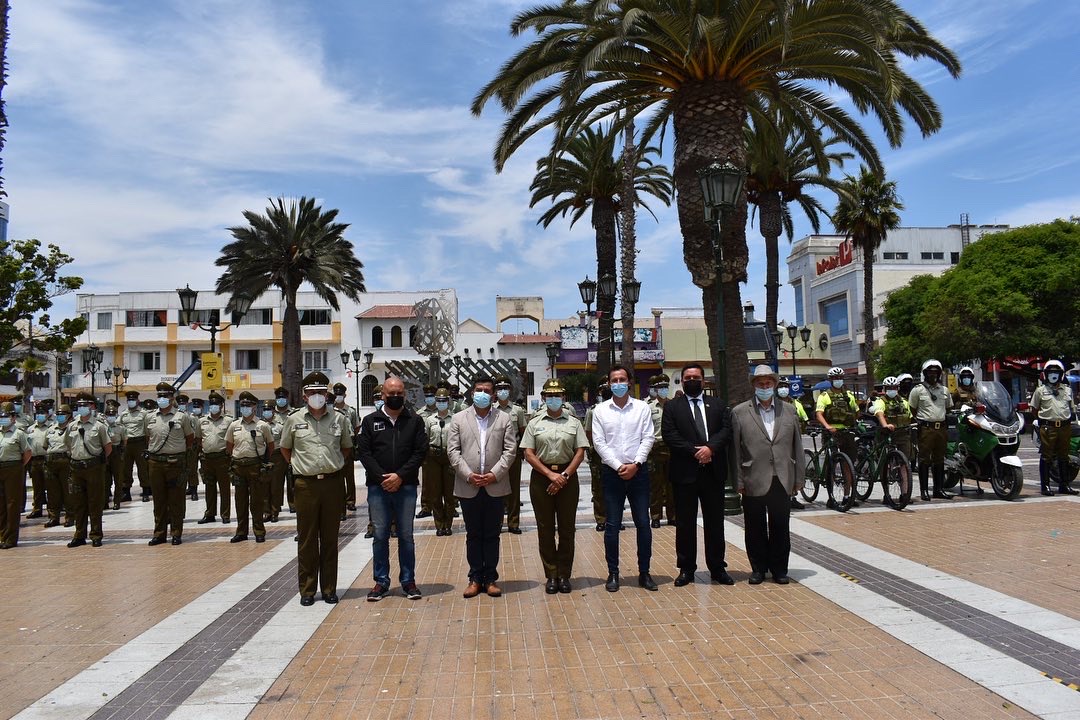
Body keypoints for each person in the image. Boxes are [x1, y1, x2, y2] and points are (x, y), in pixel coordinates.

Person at [280, 371, 353, 606]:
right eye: (312, 392)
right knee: (307, 539)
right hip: (306, 485)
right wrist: (301, 466)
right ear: (304, 395)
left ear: (327, 394)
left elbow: (345, 448)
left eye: (321, 392)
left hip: (332, 483)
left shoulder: (339, 419)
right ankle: (308, 590)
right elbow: (286, 449)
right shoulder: (293, 419)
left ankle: (329, 588)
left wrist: (332, 465)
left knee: (330, 538)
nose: (317, 396)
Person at [660, 363, 734, 587]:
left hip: (713, 471)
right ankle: (686, 569)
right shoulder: (673, 407)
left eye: (696, 377)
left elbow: (726, 430)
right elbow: (669, 435)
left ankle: (717, 567)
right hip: (685, 473)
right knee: (685, 523)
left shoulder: (718, 405)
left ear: (703, 381)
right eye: (688, 377)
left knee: (715, 523)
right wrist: (695, 452)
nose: (692, 380)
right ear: (682, 380)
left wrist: (710, 449)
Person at [357, 376, 428, 601]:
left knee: (406, 535)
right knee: (380, 535)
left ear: (404, 395)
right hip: (378, 488)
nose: (395, 397)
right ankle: (381, 582)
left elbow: (420, 452)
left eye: (399, 394)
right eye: (391, 394)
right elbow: (365, 453)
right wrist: (382, 478)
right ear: (383, 396)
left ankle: (408, 581)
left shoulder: (414, 421)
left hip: (405, 487)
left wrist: (400, 476)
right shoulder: (370, 421)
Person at [447, 373, 518, 599]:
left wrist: (493, 474)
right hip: (468, 485)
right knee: (473, 533)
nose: (483, 394)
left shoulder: (504, 419)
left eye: (487, 391)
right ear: (472, 392)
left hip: (494, 485)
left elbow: (510, 451)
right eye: (479, 390)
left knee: (492, 534)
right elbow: (453, 451)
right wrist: (469, 475)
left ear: (494, 395)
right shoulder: (458, 419)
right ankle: (475, 577)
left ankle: (491, 578)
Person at [731, 366, 804, 584]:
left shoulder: (789, 411)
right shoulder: (740, 412)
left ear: (775, 384)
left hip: (782, 477)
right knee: (754, 527)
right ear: (754, 385)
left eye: (768, 383)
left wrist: (799, 478)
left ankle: (780, 569)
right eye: (760, 383)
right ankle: (758, 569)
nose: (765, 387)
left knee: (780, 526)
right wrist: (738, 480)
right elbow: (735, 449)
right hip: (753, 477)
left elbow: (797, 446)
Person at [593, 365, 657, 592]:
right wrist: (620, 466)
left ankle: (645, 573)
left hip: (639, 473)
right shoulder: (600, 410)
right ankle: (613, 573)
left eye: (622, 379)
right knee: (612, 525)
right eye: (614, 380)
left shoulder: (642, 408)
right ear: (609, 384)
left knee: (643, 523)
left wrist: (636, 464)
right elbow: (599, 443)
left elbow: (648, 437)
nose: (618, 383)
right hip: (612, 473)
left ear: (629, 382)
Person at [520, 378, 588, 594]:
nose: (554, 399)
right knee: (545, 528)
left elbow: (580, 451)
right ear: (543, 398)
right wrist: (550, 475)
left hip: (568, 476)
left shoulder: (574, 422)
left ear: (563, 398)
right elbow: (528, 453)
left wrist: (564, 475)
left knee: (567, 528)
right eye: (549, 396)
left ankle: (564, 574)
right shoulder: (534, 422)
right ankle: (551, 574)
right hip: (542, 477)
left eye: (557, 395)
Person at [145, 383, 195, 545]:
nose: (162, 399)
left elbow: (189, 438)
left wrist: (177, 451)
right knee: (158, 500)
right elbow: (149, 438)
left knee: (176, 499)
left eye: (165, 396)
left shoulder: (182, 417)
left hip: (175, 463)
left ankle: (176, 533)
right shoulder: (150, 417)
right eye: (159, 396)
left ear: (172, 398)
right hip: (155, 463)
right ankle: (159, 533)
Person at [64, 393, 113, 548]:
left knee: (95, 502)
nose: (82, 408)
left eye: (85, 405)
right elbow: (68, 445)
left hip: (93, 468)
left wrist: (97, 462)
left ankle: (96, 535)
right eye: (80, 405)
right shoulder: (72, 426)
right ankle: (79, 535)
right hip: (76, 468)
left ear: (92, 407)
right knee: (78, 503)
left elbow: (108, 448)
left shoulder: (99, 426)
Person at [226, 391, 275, 543]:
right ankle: (241, 532)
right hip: (239, 467)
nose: (245, 408)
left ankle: (259, 531)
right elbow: (229, 445)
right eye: (243, 405)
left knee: (257, 502)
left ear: (255, 407)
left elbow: (271, 445)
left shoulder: (262, 426)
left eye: (248, 405)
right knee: (240, 502)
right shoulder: (234, 425)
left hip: (255, 466)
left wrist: (264, 461)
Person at [1030, 359, 1078, 496]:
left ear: (1061, 374)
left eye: (1056, 372)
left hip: (1064, 426)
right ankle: (1045, 486)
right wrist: (1044, 419)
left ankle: (1064, 485)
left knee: (1064, 456)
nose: (1053, 375)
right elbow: (1034, 409)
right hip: (1048, 427)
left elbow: (1071, 408)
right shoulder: (1040, 391)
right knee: (1047, 456)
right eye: (1050, 372)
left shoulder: (1067, 390)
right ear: (1046, 374)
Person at [908, 359, 954, 501]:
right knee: (924, 460)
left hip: (941, 428)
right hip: (926, 429)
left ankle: (938, 489)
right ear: (925, 373)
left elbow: (948, 407)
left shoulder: (944, 390)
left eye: (936, 372)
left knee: (939, 460)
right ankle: (924, 491)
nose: (933, 375)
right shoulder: (918, 390)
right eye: (930, 372)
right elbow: (912, 408)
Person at [815, 366, 860, 508]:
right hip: (831, 433)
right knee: (831, 466)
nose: (838, 380)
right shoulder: (824, 396)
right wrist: (827, 426)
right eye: (835, 378)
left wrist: (854, 421)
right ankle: (831, 497)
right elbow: (819, 414)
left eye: (840, 378)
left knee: (849, 466)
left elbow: (856, 411)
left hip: (847, 433)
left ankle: (848, 496)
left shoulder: (849, 395)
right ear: (830, 380)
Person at [493, 374, 528, 535]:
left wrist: (522, 452)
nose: (502, 391)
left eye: (505, 388)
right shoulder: (491, 410)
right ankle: (497, 522)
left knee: (514, 489)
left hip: (513, 455)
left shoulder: (517, 410)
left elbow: (523, 433)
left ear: (510, 390)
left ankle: (513, 522)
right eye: (499, 388)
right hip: (495, 456)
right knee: (498, 490)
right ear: (495, 391)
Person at [196, 392, 234, 525]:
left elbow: (232, 440)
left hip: (223, 458)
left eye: (216, 404)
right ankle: (210, 514)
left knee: (224, 488)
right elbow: (199, 439)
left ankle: (225, 514)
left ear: (221, 405)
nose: (213, 407)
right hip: (207, 459)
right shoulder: (202, 421)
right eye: (211, 404)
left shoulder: (228, 421)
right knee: (209, 487)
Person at [424, 388, 456, 535]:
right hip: (434, 457)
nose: (441, 403)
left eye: (444, 400)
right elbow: (426, 439)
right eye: (439, 401)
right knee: (435, 493)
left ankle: (448, 524)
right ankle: (439, 524)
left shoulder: (454, 419)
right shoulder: (430, 420)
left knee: (449, 493)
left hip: (449, 456)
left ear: (448, 401)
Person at [0, 402, 32, 549]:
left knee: (12, 504)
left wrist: (19, 467)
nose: (4, 419)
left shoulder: (18, 433)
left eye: (7, 416)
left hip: (13, 467)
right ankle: (2, 535)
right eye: (2, 416)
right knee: (1, 504)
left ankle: (11, 538)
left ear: (13, 418)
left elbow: (27, 453)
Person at [647, 374, 675, 528]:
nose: (663, 390)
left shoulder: (674, 405)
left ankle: (673, 516)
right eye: (660, 388)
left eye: (665, 387)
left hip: (672, 449)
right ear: (656, 390)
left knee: (672, 486)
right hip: (656, 449)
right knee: (656, 486)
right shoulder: (649, 408)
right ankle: (656, 516)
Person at [776, 378, 808, 509]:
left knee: (794, 466)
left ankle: (792, 496)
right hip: (779, 441)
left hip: (793, 440)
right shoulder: (773, 404)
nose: (783, 389)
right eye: (781, 386)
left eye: (785, 386)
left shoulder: (796, 403)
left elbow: (805, 418)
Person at [584, 382, 611, 532]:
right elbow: (589, 432)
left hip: (615, 453)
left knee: (615, 488)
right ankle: (601, 519)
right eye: (603, 390)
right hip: (598, 454)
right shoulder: (593, 411)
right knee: (599, 488)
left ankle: (615, 518)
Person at [331, 382, 361, 514]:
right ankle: (340, 502)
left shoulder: (351, 411)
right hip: (335, 447)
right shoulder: (330, 411)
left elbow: (356, 427)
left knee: (349, 476)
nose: (338, 397)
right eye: (336, 394)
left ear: (345, 395)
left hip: (348, 447)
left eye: (340, 394)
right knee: (337, 477)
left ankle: (350, 501)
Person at [44, 404, 73, 527]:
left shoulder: (72, 429)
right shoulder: (51, 429)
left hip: (66, 461)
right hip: (51, 462)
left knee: (68, 491)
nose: (60, 416)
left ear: (69, 416)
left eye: (63, 414)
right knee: (52, 492)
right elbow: (45, 445)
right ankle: (53, 517)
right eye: (59, 414)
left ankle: (70, 516)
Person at [872, 376, 913, 462]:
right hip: (887, 434)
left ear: (897, 388)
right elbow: (879, 413)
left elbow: (910, 416)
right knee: (884, 459)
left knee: (904, 461)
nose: (892, 390)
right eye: (889, 388)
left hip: (902, 433)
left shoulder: (904, 402)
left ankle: (905, 475)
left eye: (894, 388)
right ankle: (884, 473)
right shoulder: (880, 401)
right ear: (884, 389)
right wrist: (885, 425)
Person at [119, 390, 150, 502]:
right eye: (129, 400)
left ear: (138, 401)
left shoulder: (144, 413)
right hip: (127, 444)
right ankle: (126, 492)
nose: (131, 401)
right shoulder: (123, 414)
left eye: (133, 399)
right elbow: (119, 428)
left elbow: (147, 431)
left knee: (143, 469)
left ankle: (146, 491)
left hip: (140, 443)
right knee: (126, 469)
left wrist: (147, 446)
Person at [261, 398, 287, 522]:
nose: (267, 412)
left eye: (269, 410)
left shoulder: (280, 427)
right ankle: (266, 511)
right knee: (264, 485)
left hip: (277, 457)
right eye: (265, 409)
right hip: (264, 457)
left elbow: (284, 443)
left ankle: (275, 511)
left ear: (273, 411)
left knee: (276, 486)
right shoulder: (259, 425)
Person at [415, 383, 438, 519]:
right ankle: (426, 506)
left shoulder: (441, 411)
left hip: (441, 450)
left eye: (432, 396)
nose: (429, 398)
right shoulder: (420, 414)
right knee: (427, 481)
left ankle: (446, 506)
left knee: (444, 481)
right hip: (426, 451)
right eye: (427, 396)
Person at [25, 403, 51, 520]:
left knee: (51, 487)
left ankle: (52, 510)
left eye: (42, 413)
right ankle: (37, 509)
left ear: (47, 414)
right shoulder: (31, 429)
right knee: (37, 486)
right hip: (34, 460)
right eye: (38, 413)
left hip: (46, 459)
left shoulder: (51, 427)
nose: (40, 415)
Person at [101, 399, 127, 511]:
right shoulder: (102, 426)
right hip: (106, 453)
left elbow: (124, 441)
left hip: (116, 452)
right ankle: (105, 502)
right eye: (108, 414)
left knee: (118, 479)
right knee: (105, 480)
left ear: (116, 415)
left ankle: (117, 502)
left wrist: (121, 452)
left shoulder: (121, 427)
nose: (110, 416)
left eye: (112, 414)